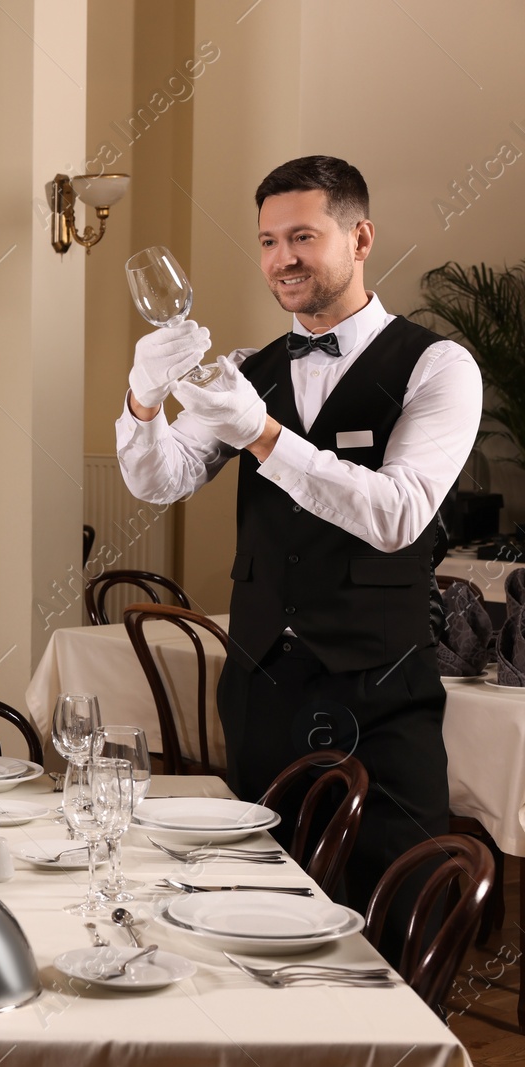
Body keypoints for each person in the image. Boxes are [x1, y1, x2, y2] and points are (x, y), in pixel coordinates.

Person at [115, 156, 482, 910]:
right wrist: (142, 402)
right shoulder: (250, 369)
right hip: (261, 690)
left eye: (303, 236)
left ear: (360, 237)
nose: (282, 258)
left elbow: (397, 514)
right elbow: (159, 480)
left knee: (396, 905)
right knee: (257, 900)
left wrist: (263, 434)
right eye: (268, 240)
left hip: (379, 692)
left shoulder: (437, 366)